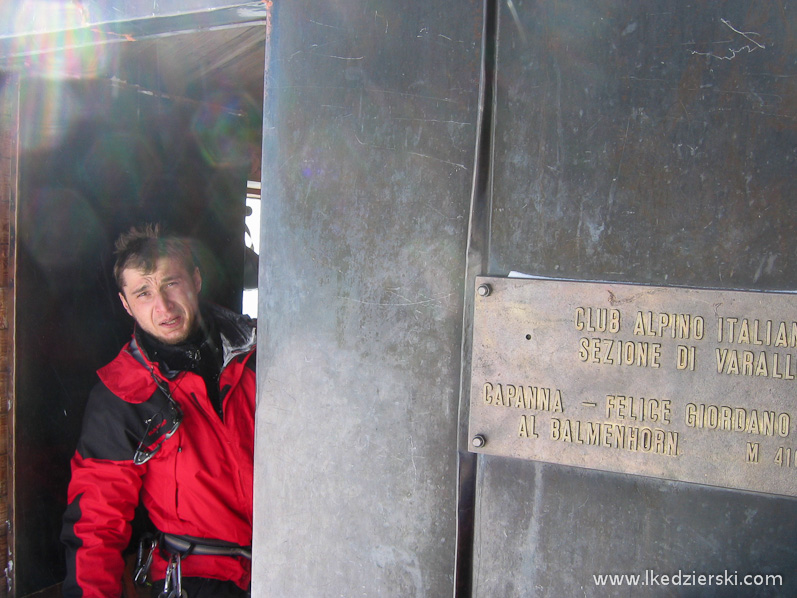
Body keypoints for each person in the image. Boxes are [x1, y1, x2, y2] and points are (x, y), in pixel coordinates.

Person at [61, 224, 257, 598]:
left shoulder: (257, 353)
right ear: (125, 303)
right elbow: (97, 524)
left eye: (171, 283)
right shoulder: (123, 393)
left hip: (292, 558)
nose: (163, 307)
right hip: (202, 578)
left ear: (196, 280)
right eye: (144, 292)